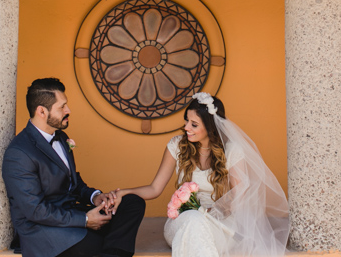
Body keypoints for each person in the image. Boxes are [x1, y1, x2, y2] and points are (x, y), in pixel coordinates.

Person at [111, 92, 290, 257]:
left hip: (221, 224)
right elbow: (154, 188)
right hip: (182, 221)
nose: (186, 127)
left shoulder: (232, 151)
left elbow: (240, 195)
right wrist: (123, 193)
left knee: (197, 222)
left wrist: (211, 213)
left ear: (211, 127)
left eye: (194, 124)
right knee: (193, 219)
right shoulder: (176, 146)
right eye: (186, 121)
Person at [2, 78, 145, 257]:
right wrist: (85, 220)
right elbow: (35, 210)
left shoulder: (61, 137)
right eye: (62, 107)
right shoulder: (19, 153)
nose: (68, 110)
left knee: (132, 203)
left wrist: (96, 197)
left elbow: (72, 182)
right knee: (98, 243)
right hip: (46, 230)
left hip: (74, 215)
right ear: (41, 111)